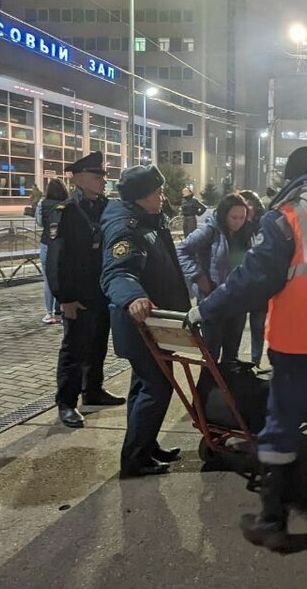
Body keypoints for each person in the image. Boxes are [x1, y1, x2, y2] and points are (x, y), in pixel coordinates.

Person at [187, 146, 307, 549]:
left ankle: (272, 519)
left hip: (300, 345)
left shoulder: (288, 218)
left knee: (282, 424)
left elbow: (252, 279)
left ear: (293, 180)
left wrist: (207, 309)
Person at [101, 164, 189, 478]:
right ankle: (135, 459)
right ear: (141, 197)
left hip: (154, 323)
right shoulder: (127, 227)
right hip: (140, 322)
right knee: (157, 387)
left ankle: (144, 444)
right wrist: (133, 296)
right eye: (157, 193)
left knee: (142, 386)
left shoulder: (148, 221)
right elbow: (118, 271)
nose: (162, 197)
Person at [46, 152, 125, 429]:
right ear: (78, 179)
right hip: (77, 293)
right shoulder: (64, 212)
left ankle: (93, 391)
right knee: (74, 350)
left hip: (101, 290)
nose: (103, 180)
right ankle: (66, 403)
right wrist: (64, 297)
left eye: (103, 176)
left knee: (98, 344)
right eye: (97, 176)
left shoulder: (105, 207)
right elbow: (55, 260)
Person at [176, 192, 252, 364]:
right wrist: (198, 276)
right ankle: (207, 389)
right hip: (213, 299)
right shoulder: (210, 231)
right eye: (234, 217)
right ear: (224, 215)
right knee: (211, 354)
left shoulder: (246, 233)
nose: (238, 222)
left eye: (242, 217)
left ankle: (228, 388)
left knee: (231, 354)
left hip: (237, 301)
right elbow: (182, 250)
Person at [238, 189, 268, 362]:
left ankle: (255, 361)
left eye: (251, 203)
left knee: (258, 325)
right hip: (239, 282)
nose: (248, 207)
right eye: (244, 203)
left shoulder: (263, 226)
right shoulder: (233, 226)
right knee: (236, 325)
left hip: (258, 284)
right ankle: (233, 363)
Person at [36, 178, 68, 325]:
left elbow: (39, 222)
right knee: (63, 278)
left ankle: (49, 314)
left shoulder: (42, 204)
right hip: (64, 245)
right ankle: (61, 311)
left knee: (48, 281)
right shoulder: (68, 204)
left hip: (46, 244)